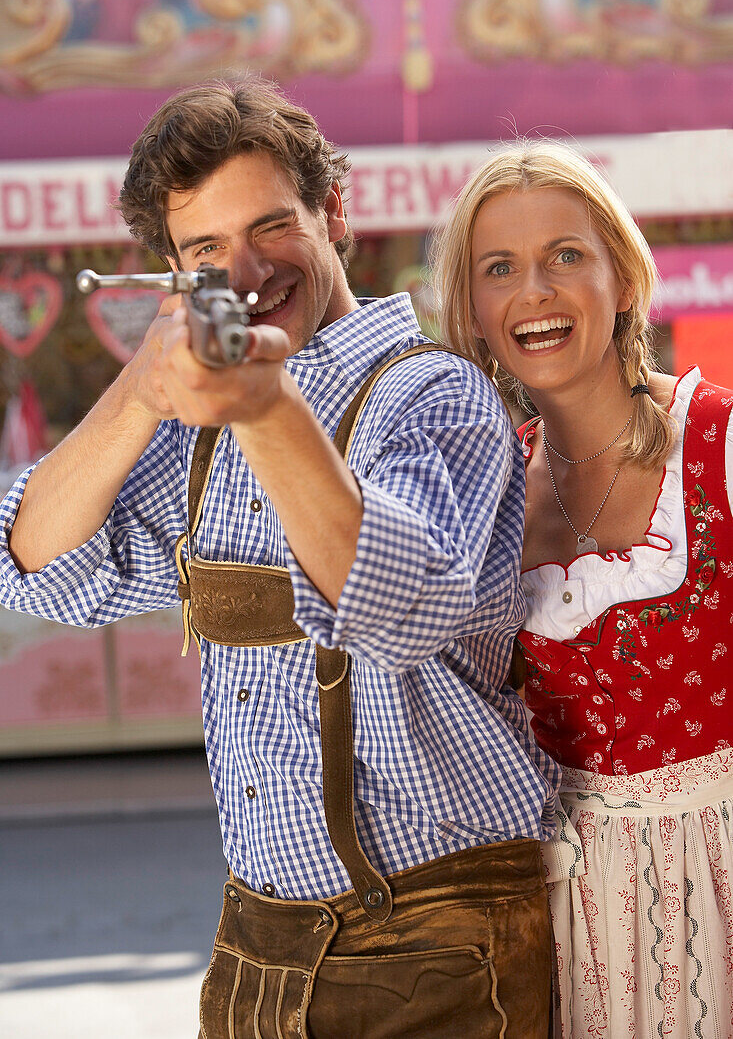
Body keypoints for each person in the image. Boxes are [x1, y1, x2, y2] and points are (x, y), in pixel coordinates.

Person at [0, 81, 560, 1039]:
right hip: (260, 938)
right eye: (205, 252)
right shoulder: (205, 428)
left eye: (270, 226)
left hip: (438, 928)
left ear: (333, 214)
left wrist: (263, 406)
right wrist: (141, 390)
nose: (246, 270)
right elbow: (42, 567)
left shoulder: (432, 394)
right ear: (173, 274)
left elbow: (405, 609)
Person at [434, 140, 733, 1038]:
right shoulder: (481, 498)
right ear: (475, 312)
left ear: (624, 278)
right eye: (500, 268)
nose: (535, 290)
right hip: (564, 920)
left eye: (566, 254)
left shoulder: (716, 441)